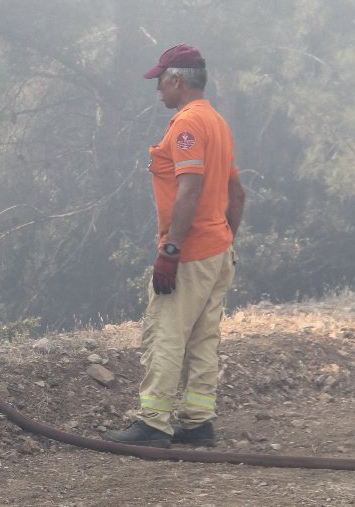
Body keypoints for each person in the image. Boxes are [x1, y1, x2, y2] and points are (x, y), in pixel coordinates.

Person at [104, 44, 246, 448]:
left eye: (160, 82)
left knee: (166, 334)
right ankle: (199, 422)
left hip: (190, 253)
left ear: (177, 80)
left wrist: (171, 250)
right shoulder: (217, 123)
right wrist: (224, 240)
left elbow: (189, 189)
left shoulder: (187, 125)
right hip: (218, 250)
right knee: (203, 339)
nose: (158, 90)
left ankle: (153, 424)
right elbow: (238, 194)